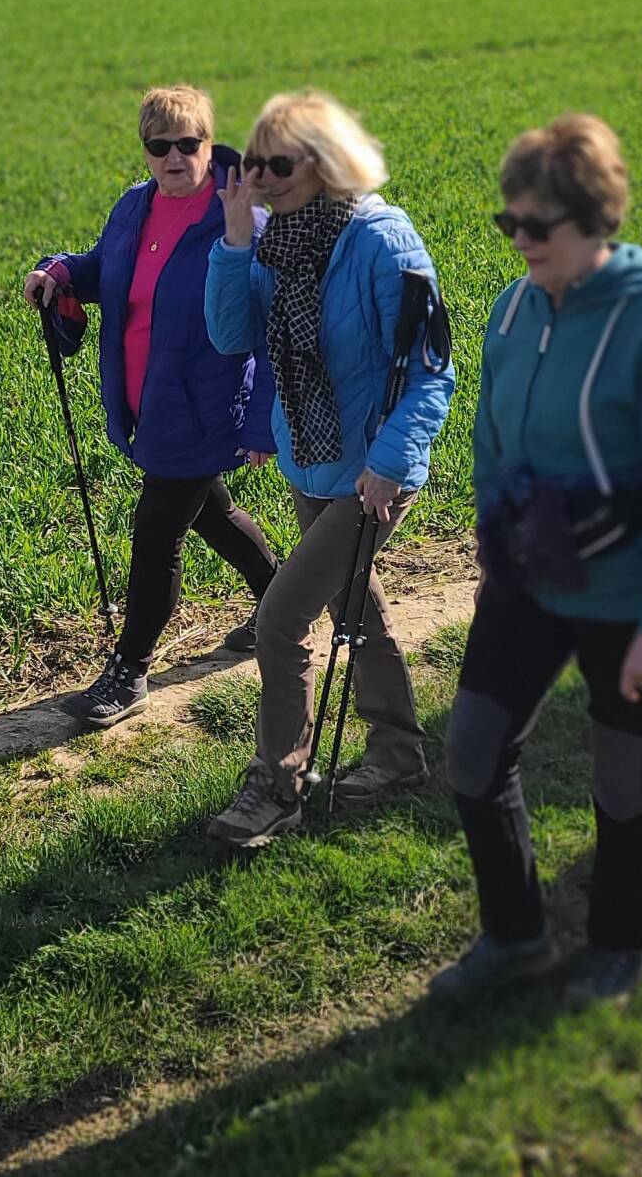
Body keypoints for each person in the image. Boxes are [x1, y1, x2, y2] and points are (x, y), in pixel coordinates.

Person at [430, 113, 642, 1007]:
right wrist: (494, 543)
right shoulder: (513, 307)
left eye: (537, 225)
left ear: (595, 219)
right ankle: (516, 935)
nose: (519, 239)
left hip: (631, 595)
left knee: (620, 773)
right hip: (530, 575)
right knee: (471, 751)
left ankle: (620, 946)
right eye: (508, 221)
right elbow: (490, 441)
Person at [204, 90, 455, 846]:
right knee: (356, 610)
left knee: (280, 622)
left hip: (371, 474)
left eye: (278, 165)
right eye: (254, 162)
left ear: (325, 163)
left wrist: (390, 463)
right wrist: (234, 241)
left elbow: (432, 372)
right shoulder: (277, 240)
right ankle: (399, 753)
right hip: (310, 462)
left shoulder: (384, 240)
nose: (261, 177)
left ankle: (277, 786)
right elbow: (231, 336)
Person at [24, 85, 279, 728]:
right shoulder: (135, 207)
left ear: (209, 143)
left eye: (188, 143)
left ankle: (129, 669)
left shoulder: (238, 219)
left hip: (207, 407)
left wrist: (261, 424)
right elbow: (105, 269)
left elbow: (271, 327)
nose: (174, 157)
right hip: (150, 402)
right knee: (211, 512)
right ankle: (282, 603)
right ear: (144, 151)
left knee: (158, 530)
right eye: (159, 146)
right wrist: (59, 273)